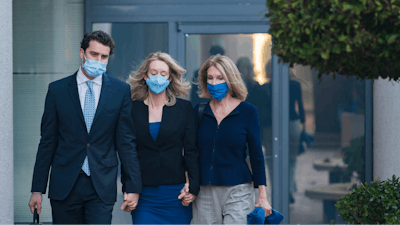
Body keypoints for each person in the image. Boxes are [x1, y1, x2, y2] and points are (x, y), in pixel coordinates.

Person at [28, 30, 142, 224]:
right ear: (82, 53)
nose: (98, 60)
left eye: (104, 56)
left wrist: (131, 187)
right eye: (93, 54)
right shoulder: (57, 90)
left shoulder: (120, 91)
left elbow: (126, 143)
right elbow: (47, 142)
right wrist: (37, 189)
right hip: (65, 185)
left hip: (101, 185)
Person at [192, 54, 272, 225]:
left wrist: (262, 196)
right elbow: (191, 152)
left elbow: (257, 155)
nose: (214, 83)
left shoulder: (248, 112)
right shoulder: (199, 112)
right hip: (204, 191)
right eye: (210, 78)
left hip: (239, 189)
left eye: (220, 78)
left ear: (230, 79)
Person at [126, 52, 200, 224]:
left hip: (176, 193)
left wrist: (193, 187)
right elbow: (128, 152)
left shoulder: (184, 108)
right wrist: (129, 187)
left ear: (170, 78)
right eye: (153, 73)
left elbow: (191, 151)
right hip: (143, 194)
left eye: (163, 73)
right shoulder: (132, 109)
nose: (158, 77)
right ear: (145, 76)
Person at [288, 66, 306, 204]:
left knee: (282, 159)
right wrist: (304, 124)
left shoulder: (273, 86)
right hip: (294, 122)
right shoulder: (295, 84)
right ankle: (289, 187)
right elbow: (300, 104)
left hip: (278, 124)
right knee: (292, 159)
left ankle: (287, 188)